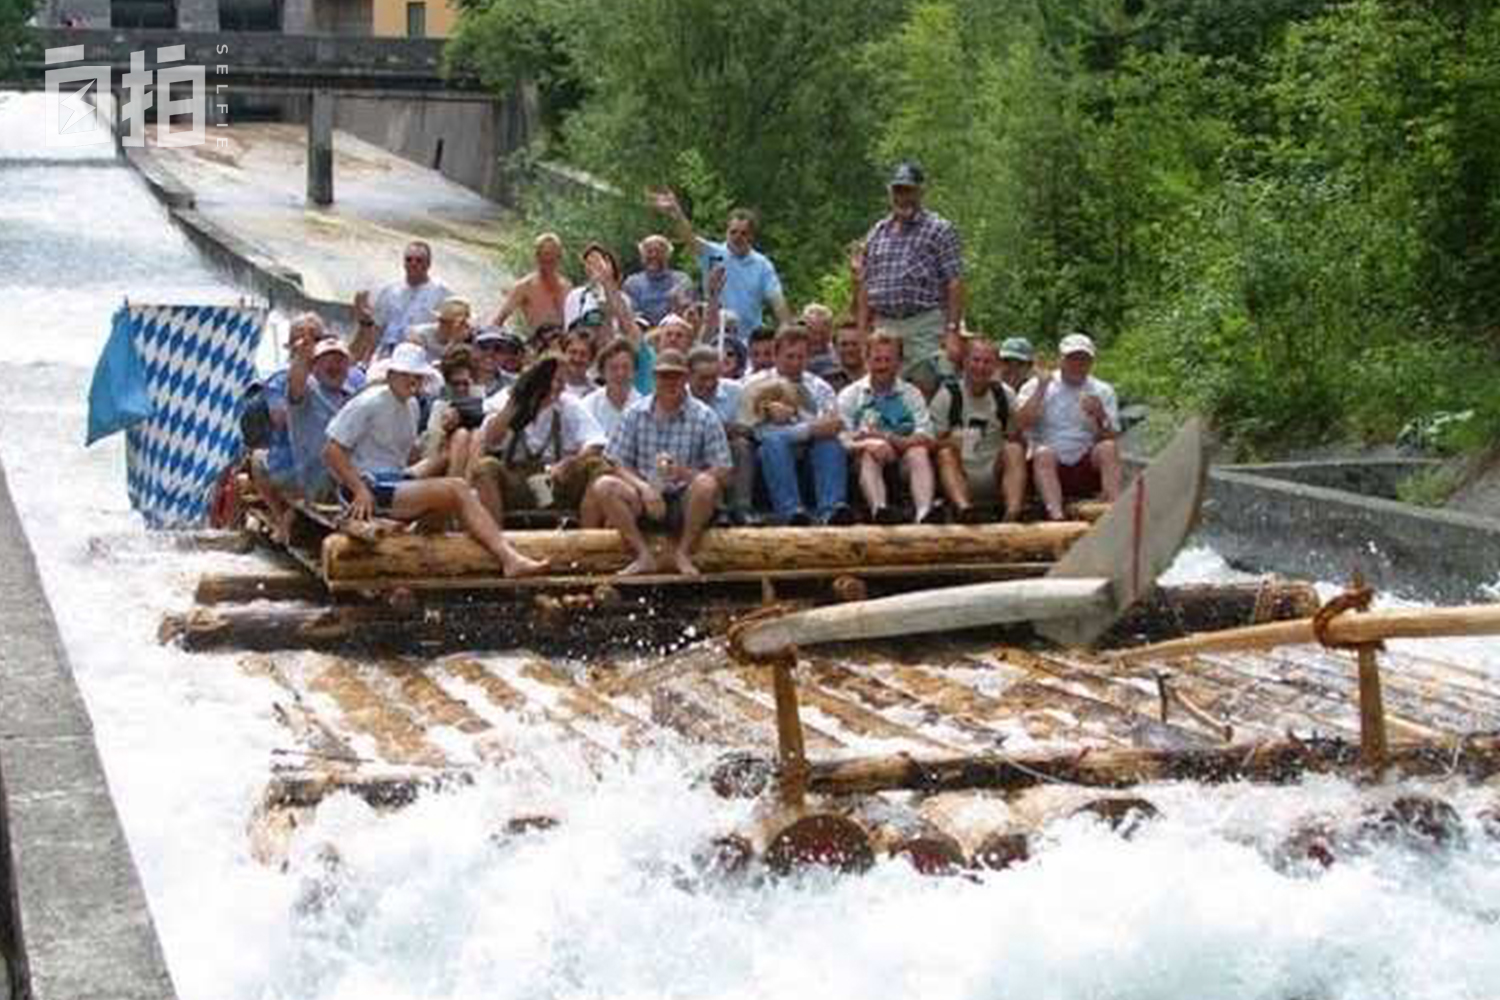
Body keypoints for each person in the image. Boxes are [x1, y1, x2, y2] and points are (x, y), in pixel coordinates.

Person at [323, 343, 548, 577]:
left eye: (417, 377)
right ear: (391, 375)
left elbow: (403, 461)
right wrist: (359, 490)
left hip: (393, 481)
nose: (412, 382)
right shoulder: (368, 402)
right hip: (367, 487)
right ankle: (508, 557)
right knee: (457, 488)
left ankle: (421, 558)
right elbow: (331, 450)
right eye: (406, 375)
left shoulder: (411, 406)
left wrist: (443, 455)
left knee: (456, 477)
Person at [582, 350, 732, 576]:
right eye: (664, 376)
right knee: (604, 485)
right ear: (654, 378)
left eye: (676, 376)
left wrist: (684, 473)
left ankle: (683, 552)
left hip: (683, 499)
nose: (670, 382)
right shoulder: (635, 413)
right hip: (643, 498)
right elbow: (614, 461)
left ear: (686, 378)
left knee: (706, 484)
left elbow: (724, 469)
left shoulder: (704, 416)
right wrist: (643, 489)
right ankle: (643, 555)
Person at [856, 162, 964, 396]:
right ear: (890, 192)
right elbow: (865, 285)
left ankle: (925, 431)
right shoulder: (877, 232)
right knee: (881, 387)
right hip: (884, 323)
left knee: (928, 383)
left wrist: (952, 331)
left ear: (920, 192)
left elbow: (954, 282)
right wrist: (862, 330)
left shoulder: (939, 229)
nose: (902, 197)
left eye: (908, 190)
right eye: (897, 190)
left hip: (923, 322)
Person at [470, 356, 610, 524]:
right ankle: (495, 540)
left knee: (597, 466)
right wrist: (516, 404)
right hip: (517, 480)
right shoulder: (508, 399)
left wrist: (571, 462)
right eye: (552, 380)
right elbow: (490, 440)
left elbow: (596, 442)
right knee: (484, 468)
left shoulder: (568, 404)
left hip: (556, 480)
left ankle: (589, 539)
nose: (557, 386)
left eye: (561, 381)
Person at [739, 324, 853, 526]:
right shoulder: (753, 384)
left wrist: (797, 423)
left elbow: (833, 424)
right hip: (768, 460)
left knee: (830, 443)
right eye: (789, 356)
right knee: (773, 443)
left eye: (801, 357)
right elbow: (756, 431)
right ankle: (791, 512)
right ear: (776, 354)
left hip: (811, 456)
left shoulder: (820, 387)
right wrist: (808, 429)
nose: (795, 363)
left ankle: (832, 510)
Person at [652, 190, 792, 334]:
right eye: (733, 232)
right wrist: (676, 213)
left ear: (752, 236)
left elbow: (777, 299)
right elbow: (689, 237)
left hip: (749, 338)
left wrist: (785, 325)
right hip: (714, 334)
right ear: (726, 232)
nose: (737, 237)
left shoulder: (763, 265)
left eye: (743, 233)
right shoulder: (713, 254)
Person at [1015, 332, 1122, 520]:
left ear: (1091, 363)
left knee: (1109, 448)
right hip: (1049, 460)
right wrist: (1041, 389)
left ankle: (1113, 509)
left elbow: (1112, 436)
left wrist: (1101, 416)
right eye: (1072, 359)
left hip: (1085, 459)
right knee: (1043, 454)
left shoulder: (1102, 390)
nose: (1078, 365)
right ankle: (1056, 515)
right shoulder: (1038, 384)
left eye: (1083, 360)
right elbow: (1020, 424)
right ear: (1061, 360)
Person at [838, 332, 939, 524]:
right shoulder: (850, 395)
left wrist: (889, 439)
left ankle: (924, 512)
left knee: (918, 452)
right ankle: (880, 510)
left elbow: (926, 437)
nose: (882, 365)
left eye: (888, 359)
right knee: (871, 452)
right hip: (862, 464)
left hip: (902, 460)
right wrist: (868, 443)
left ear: (899, 363)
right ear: (866, 360)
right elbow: (841, 439)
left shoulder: (911, 394)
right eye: (877, 359)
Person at [930, 336, 1027, 522]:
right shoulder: (947, 396)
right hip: (960, 472)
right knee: (945, 453)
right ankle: (965, 510)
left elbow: (1016, 436)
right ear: (965, 362)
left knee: (1014, 449)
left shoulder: (1004, 394)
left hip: (994, 470)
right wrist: (951, 441)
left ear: (995, 366)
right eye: (976, 360)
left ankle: (1013, 512)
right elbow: (931, 444)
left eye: (987, 362)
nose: (980, 367)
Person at [687, 344, 754, 524]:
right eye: (702, 378)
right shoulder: (678, 396)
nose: (709, 384)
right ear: (688, 375)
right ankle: (717, 509)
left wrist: (727, 430)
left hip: (729, 449)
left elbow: (749, 428)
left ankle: (741, 509)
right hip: (691, 455)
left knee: (740, 445)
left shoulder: (735, 391)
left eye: (713, 378)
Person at [354, 241, 452, 358]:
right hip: (388, 353)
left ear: (428, 264)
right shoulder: (390, 290)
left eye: (419, 260)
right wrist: (367, 358)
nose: (413, 263)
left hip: (420, 355)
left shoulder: (441, 292)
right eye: (408, 259)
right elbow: (378, 328)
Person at [490, 232, 572, 334]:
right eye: (545, 254)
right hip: (537, 344)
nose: (549, 258)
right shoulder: (524, 287)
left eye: (553, 254)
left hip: (564, 344)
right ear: (537, 257)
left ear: (559, 256)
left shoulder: (567, 287)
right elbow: (498, 321)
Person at [623, 234, 692, 325]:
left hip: (674, 329)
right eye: (649, 251)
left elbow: (685, 310)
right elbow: (632, 314)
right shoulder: (632, 283)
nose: (654, 255)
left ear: (668, 255)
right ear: (642, 256)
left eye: (659, 252)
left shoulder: (681, 279)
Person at [582, 337, 643, 439]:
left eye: (626, 367)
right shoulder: (588, 405)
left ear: (634, 372)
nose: (620, 373)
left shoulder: (644, 406)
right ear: (602, 372)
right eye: (613, 368)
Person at [407, 297, 474, 364]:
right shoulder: (420, 334)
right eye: (461, 323)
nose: (465, 326)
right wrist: (453, 343)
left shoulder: (467, 339)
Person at [802, 303, 840, 384]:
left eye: (822, 333)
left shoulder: (840, 353)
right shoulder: (794, 355)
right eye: (813, 332)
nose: (818, 338)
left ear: (830, 331)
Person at [829, 321, 867, 393]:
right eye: (844, 344)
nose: (850, 349)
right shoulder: (827, 382)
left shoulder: (878, 378)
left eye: (855, 344)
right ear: (835, 347)